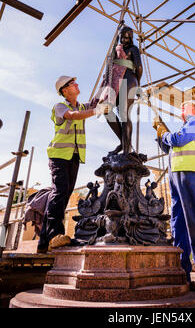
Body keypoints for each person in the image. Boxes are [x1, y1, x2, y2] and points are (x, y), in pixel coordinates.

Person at [152, 100, 195, 291]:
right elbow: (170, 148)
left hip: (193, 174)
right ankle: (182, 272)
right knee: (178, 225)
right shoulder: (186, 128)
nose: (181, 109)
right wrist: (159, 136)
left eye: (185, 106)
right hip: (179, 176)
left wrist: (164, 133)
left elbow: (176, 140)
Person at [37, 76, 103, 253]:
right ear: (64, 90)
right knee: (59, 193)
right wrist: (98, 110)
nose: (76, 84)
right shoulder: (60, 107)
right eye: (72, 83)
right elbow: (75, 116)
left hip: (73, 156)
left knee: (64, 196)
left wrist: (107, 78)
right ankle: (54, 236)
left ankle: (43, 243)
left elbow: (96, 101)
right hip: (59, 155)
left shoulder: (81, 106)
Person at [99, 25, 143, 155]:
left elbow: (139, 67)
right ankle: (124, 143)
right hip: (114, 81)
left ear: (131, 38)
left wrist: (138, 84)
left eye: (127, 38)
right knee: (106, 110)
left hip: (128, 79)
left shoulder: (133, 49)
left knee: (124, 114)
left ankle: (126, 149)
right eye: (122, 37)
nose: (124, 40)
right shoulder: (115, 49)